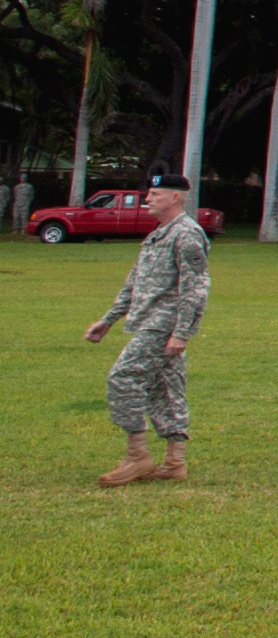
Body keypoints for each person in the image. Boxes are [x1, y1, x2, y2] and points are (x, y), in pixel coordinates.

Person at [83, 171, 208, 486]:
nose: (148, 198)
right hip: (150, 321)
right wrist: (108, 319)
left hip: (163, 324)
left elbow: (195, 288)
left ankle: (136, 456)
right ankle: (174, 462)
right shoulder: (159, 233)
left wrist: (182, 333)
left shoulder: (186, 233)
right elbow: (135, 281)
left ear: (174, 197)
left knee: (123, 378)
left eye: (155, 194)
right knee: (166, 388)